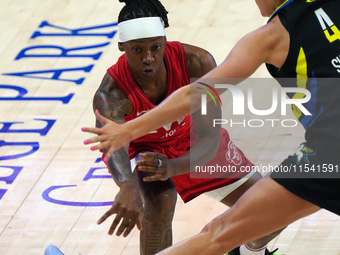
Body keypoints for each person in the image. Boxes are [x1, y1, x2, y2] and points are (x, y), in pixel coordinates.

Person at [82, 0, 340, 254]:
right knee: (159, 201)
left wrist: (172, 166)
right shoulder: (112, 94)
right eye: (137, 50)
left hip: (195, 141)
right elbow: (114, 145)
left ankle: (249, 252)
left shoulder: (198, 61)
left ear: (165, 42)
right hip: (147, 150)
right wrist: (127, 185)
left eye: (156, 47)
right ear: (122, 47)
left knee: (264, 217)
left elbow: (209, 140)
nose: (148, 58)